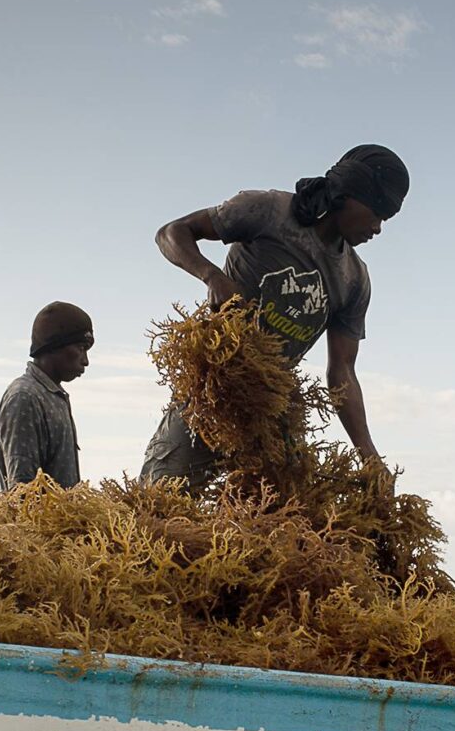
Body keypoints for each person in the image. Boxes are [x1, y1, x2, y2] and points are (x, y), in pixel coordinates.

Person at [141, 143, 409, 490]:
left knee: (287, 517)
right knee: (159, 499)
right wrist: (213, 276)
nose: (377, 228)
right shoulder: (267, 211)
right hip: (211, 393)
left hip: (272, 410)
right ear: (349, 195)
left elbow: (342, 371)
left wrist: (368, 454)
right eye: (378, 213)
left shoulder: (355, 279)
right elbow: (171, 233)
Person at [0, 301, 93, 488]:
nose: (86, 361)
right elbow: (22, 492)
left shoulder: (54, 397)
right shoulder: (25, 398)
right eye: (81, 349)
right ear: (55, 346)